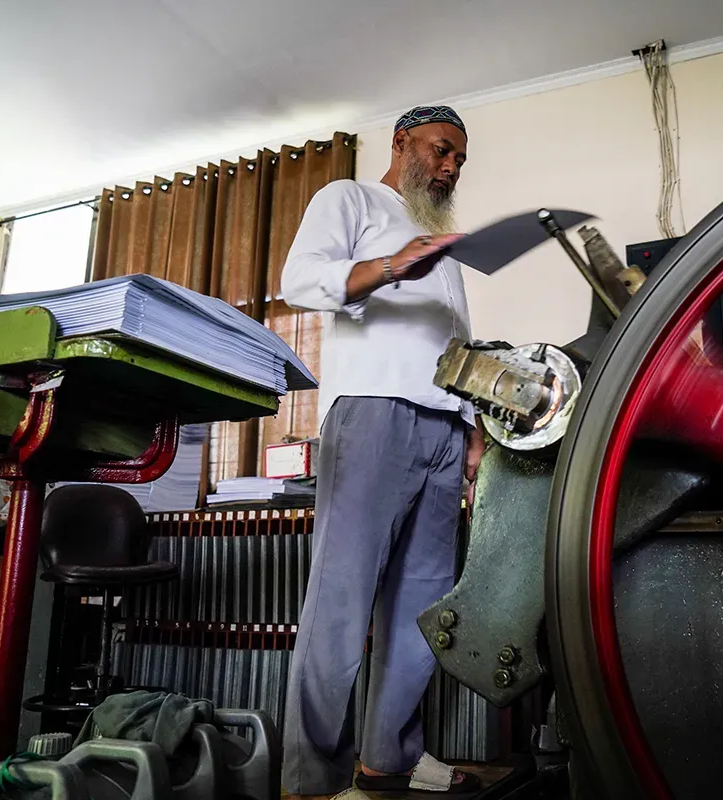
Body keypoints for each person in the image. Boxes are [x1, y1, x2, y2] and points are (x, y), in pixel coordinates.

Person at [279, 105, 485, 798]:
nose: (452, 165)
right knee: (342, 602)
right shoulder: (352, 199)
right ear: (402, 143)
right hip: (372, 415)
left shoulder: (440, 240)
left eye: (460, 158)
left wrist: (474, 428)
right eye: (443, 149)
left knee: (420, 607)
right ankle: (314, 779)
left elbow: (451, 346)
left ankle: (389, 757)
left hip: (444, 430)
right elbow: (299, 280)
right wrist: (392, 264)